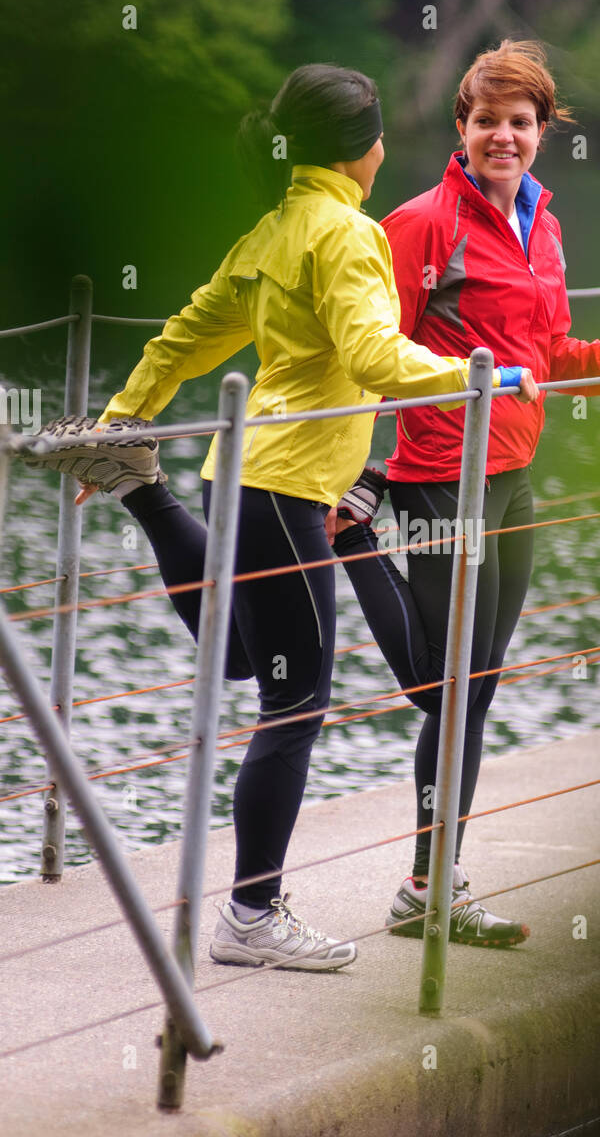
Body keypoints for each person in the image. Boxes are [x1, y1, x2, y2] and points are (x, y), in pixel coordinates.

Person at [19, 62, 538, 972]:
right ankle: (252, 916)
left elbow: (185, 337)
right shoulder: (348, 234)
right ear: (367, 147)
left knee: (236, 657)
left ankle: (142, 482)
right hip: (288, 489)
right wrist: (477, 376)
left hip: (237, 475)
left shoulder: (270, 231)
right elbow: (374, 354)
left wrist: (120, 419)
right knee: (294, 702)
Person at [331, 39, 600, 948]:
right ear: (461, 128)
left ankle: (428, 886)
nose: (503, 137)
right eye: (487, 122)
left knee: (472, 693)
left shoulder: (544, 228)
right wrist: (361, 463)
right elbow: (373, 356)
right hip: (441, 474)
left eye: (520, 123)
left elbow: (545, 357)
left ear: (542, 132)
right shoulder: (420, 225)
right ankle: (353, 541)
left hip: (513, 477)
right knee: (452, 688)